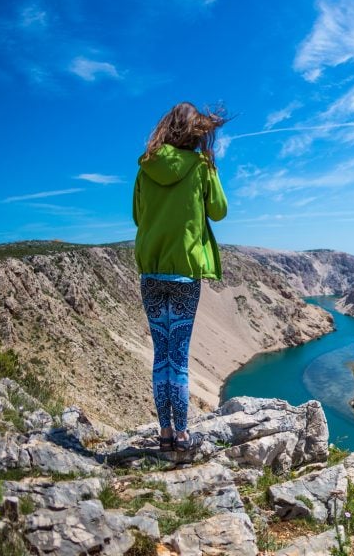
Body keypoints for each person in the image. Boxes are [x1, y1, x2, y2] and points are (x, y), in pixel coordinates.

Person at [133, 102, 228, 452]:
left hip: (152, 271)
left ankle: (165, 433)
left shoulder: (145, 167)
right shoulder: (201, 167)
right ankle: (184, 435)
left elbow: (136, 214)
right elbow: (219, 211)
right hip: (185, 273)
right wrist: (210, 170)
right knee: (180, 355)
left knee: (161, 354)